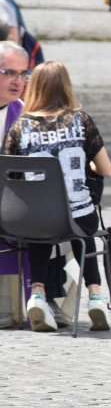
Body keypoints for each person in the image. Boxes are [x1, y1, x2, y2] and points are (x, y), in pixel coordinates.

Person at [3, 61, 111, 332]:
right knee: (79, 222)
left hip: (29, 218)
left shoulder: (21, 126)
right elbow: (106, 170)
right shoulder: (81, 121)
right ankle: (96, 295)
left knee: (40, 225)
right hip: (76, 216)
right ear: (66, 87)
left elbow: (10, 171)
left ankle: (38, 294)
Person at [0, 41, 27, 329]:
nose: (18, 81)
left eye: (23, 74)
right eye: (9, 73)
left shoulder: (25, 114)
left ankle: (40, 300)